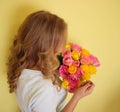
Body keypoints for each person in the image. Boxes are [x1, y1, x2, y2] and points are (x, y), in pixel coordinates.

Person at [7, 10, 95, 112]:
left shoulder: (22, 66)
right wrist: (77, 97)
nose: (62, 48)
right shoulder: (44, 89)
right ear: (47, 47)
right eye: (61, 42)